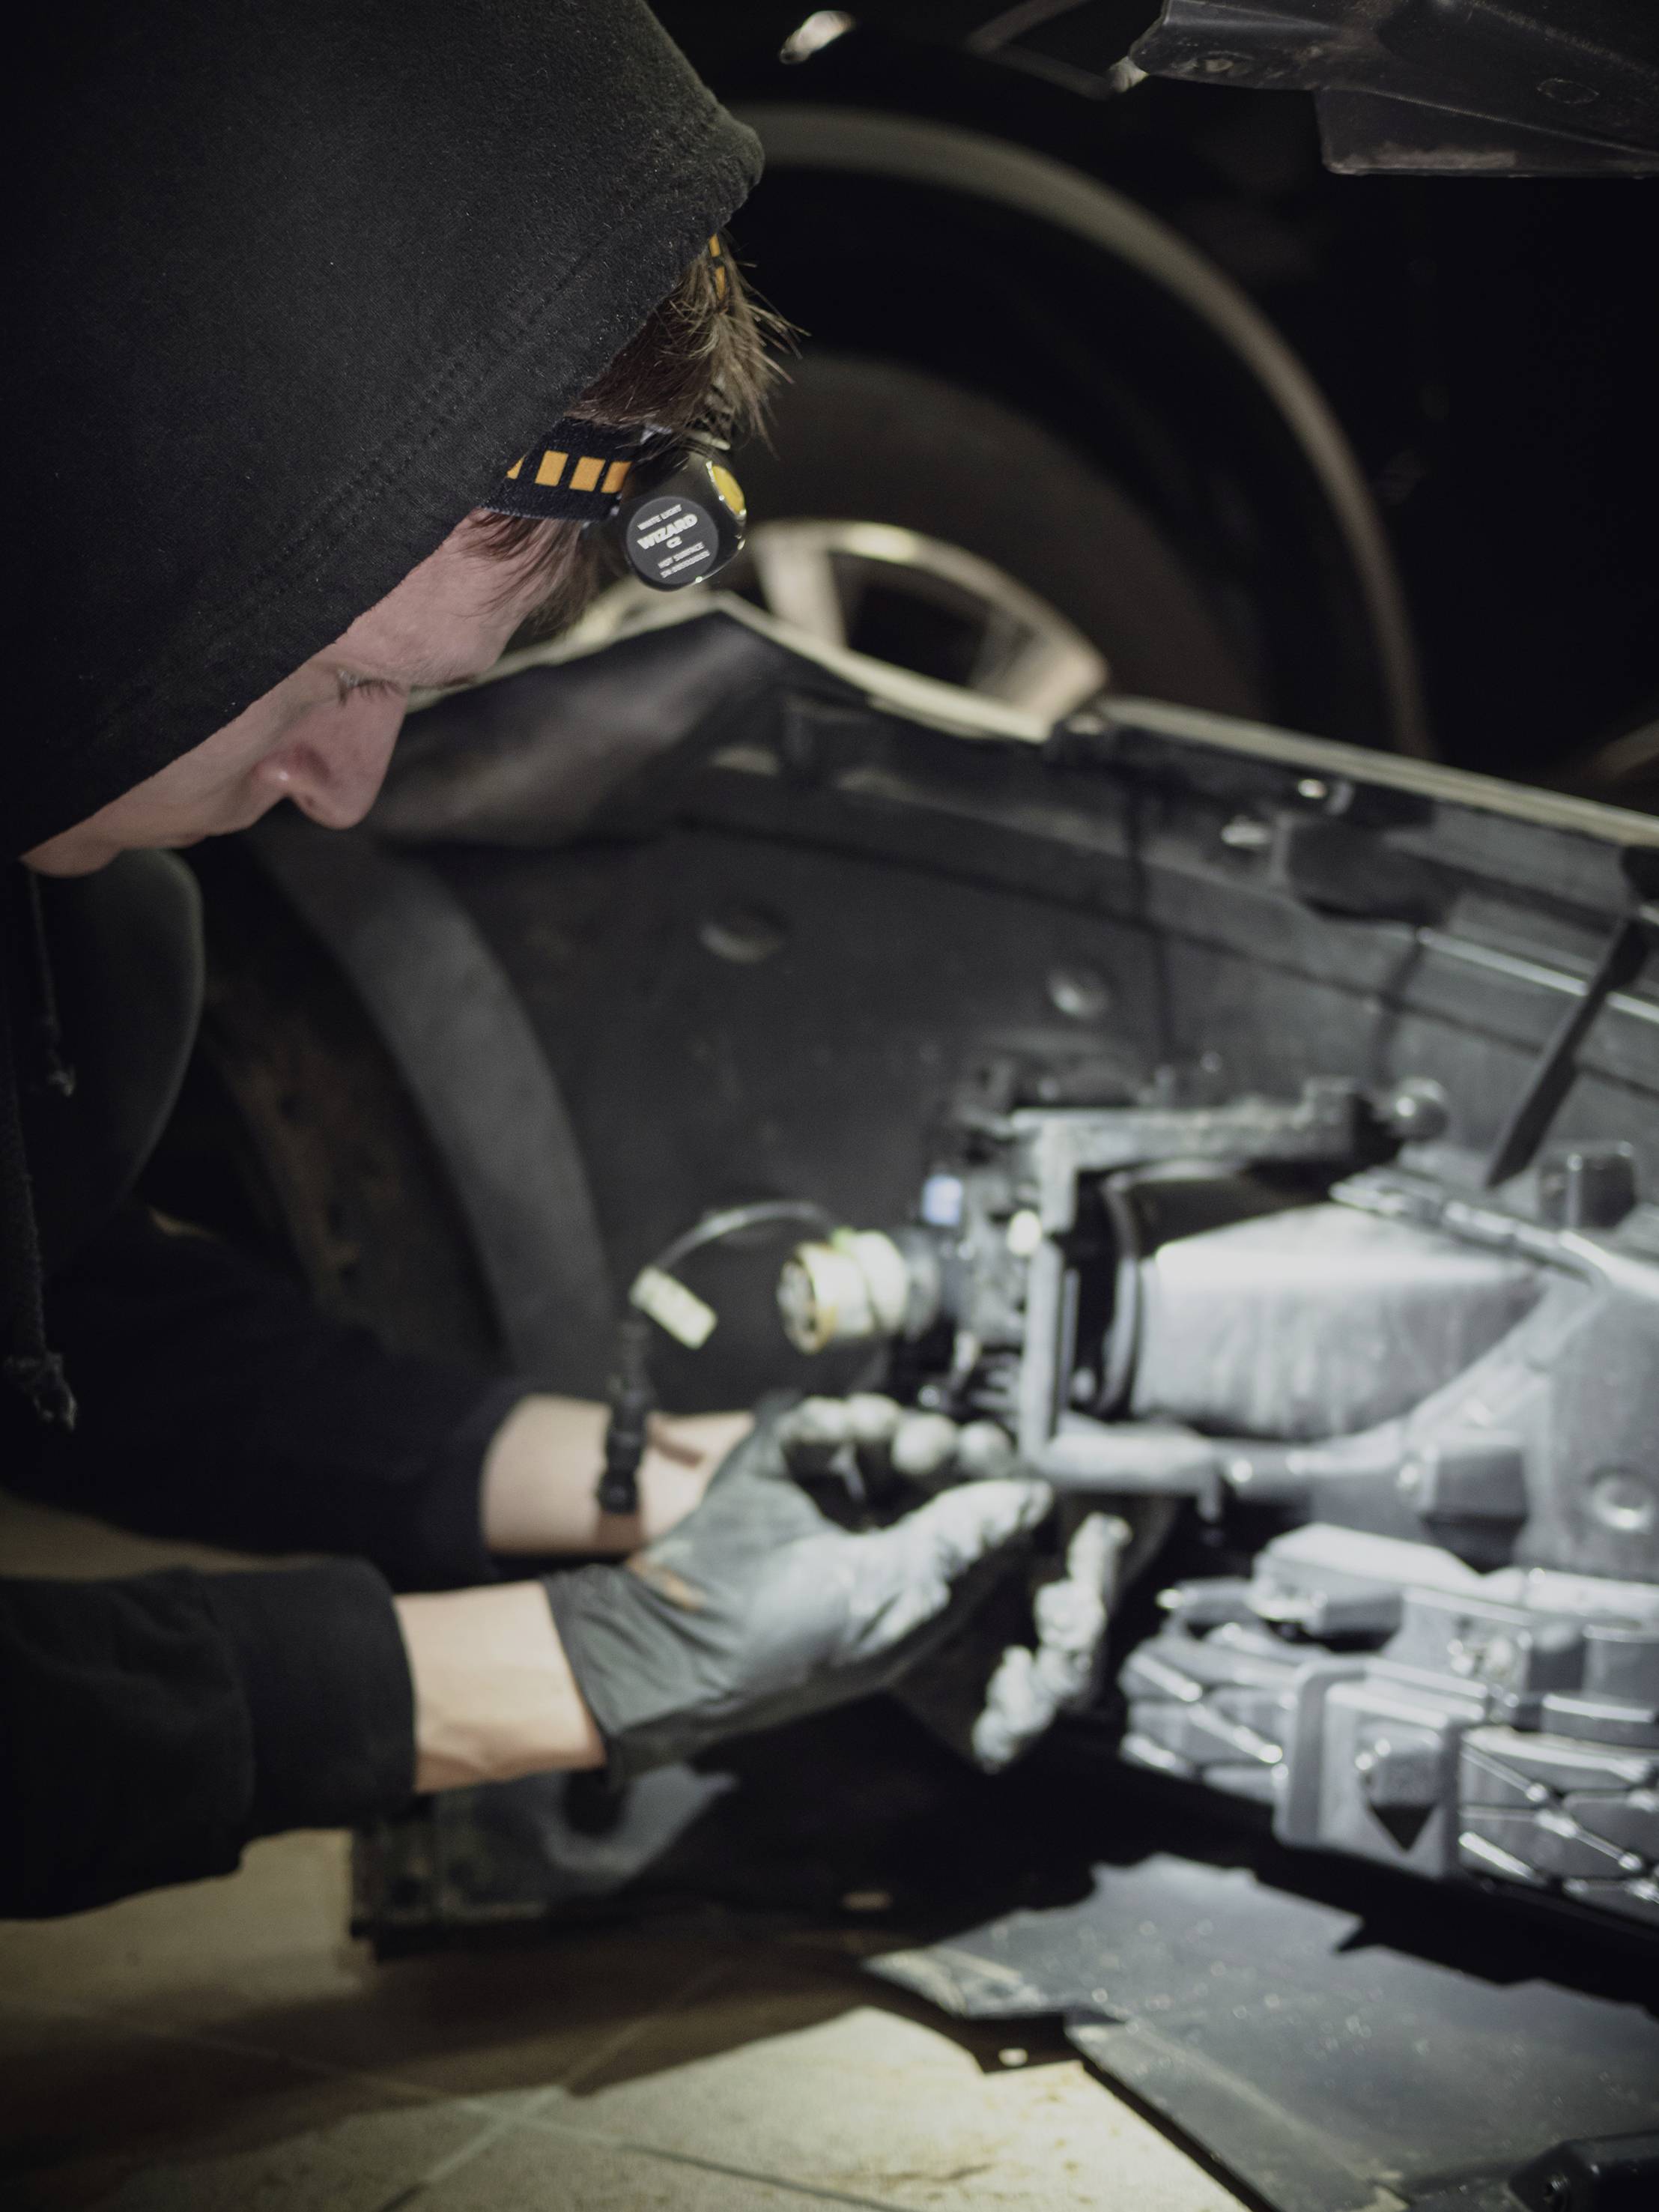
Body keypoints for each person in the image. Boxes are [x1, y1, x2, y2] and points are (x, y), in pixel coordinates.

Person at [1, 0, 1051, 1918]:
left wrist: (630, 1474)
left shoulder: (67, 913)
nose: (339, 788)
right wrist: (563, 1669)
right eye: (330, 677)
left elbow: (62, 1334)